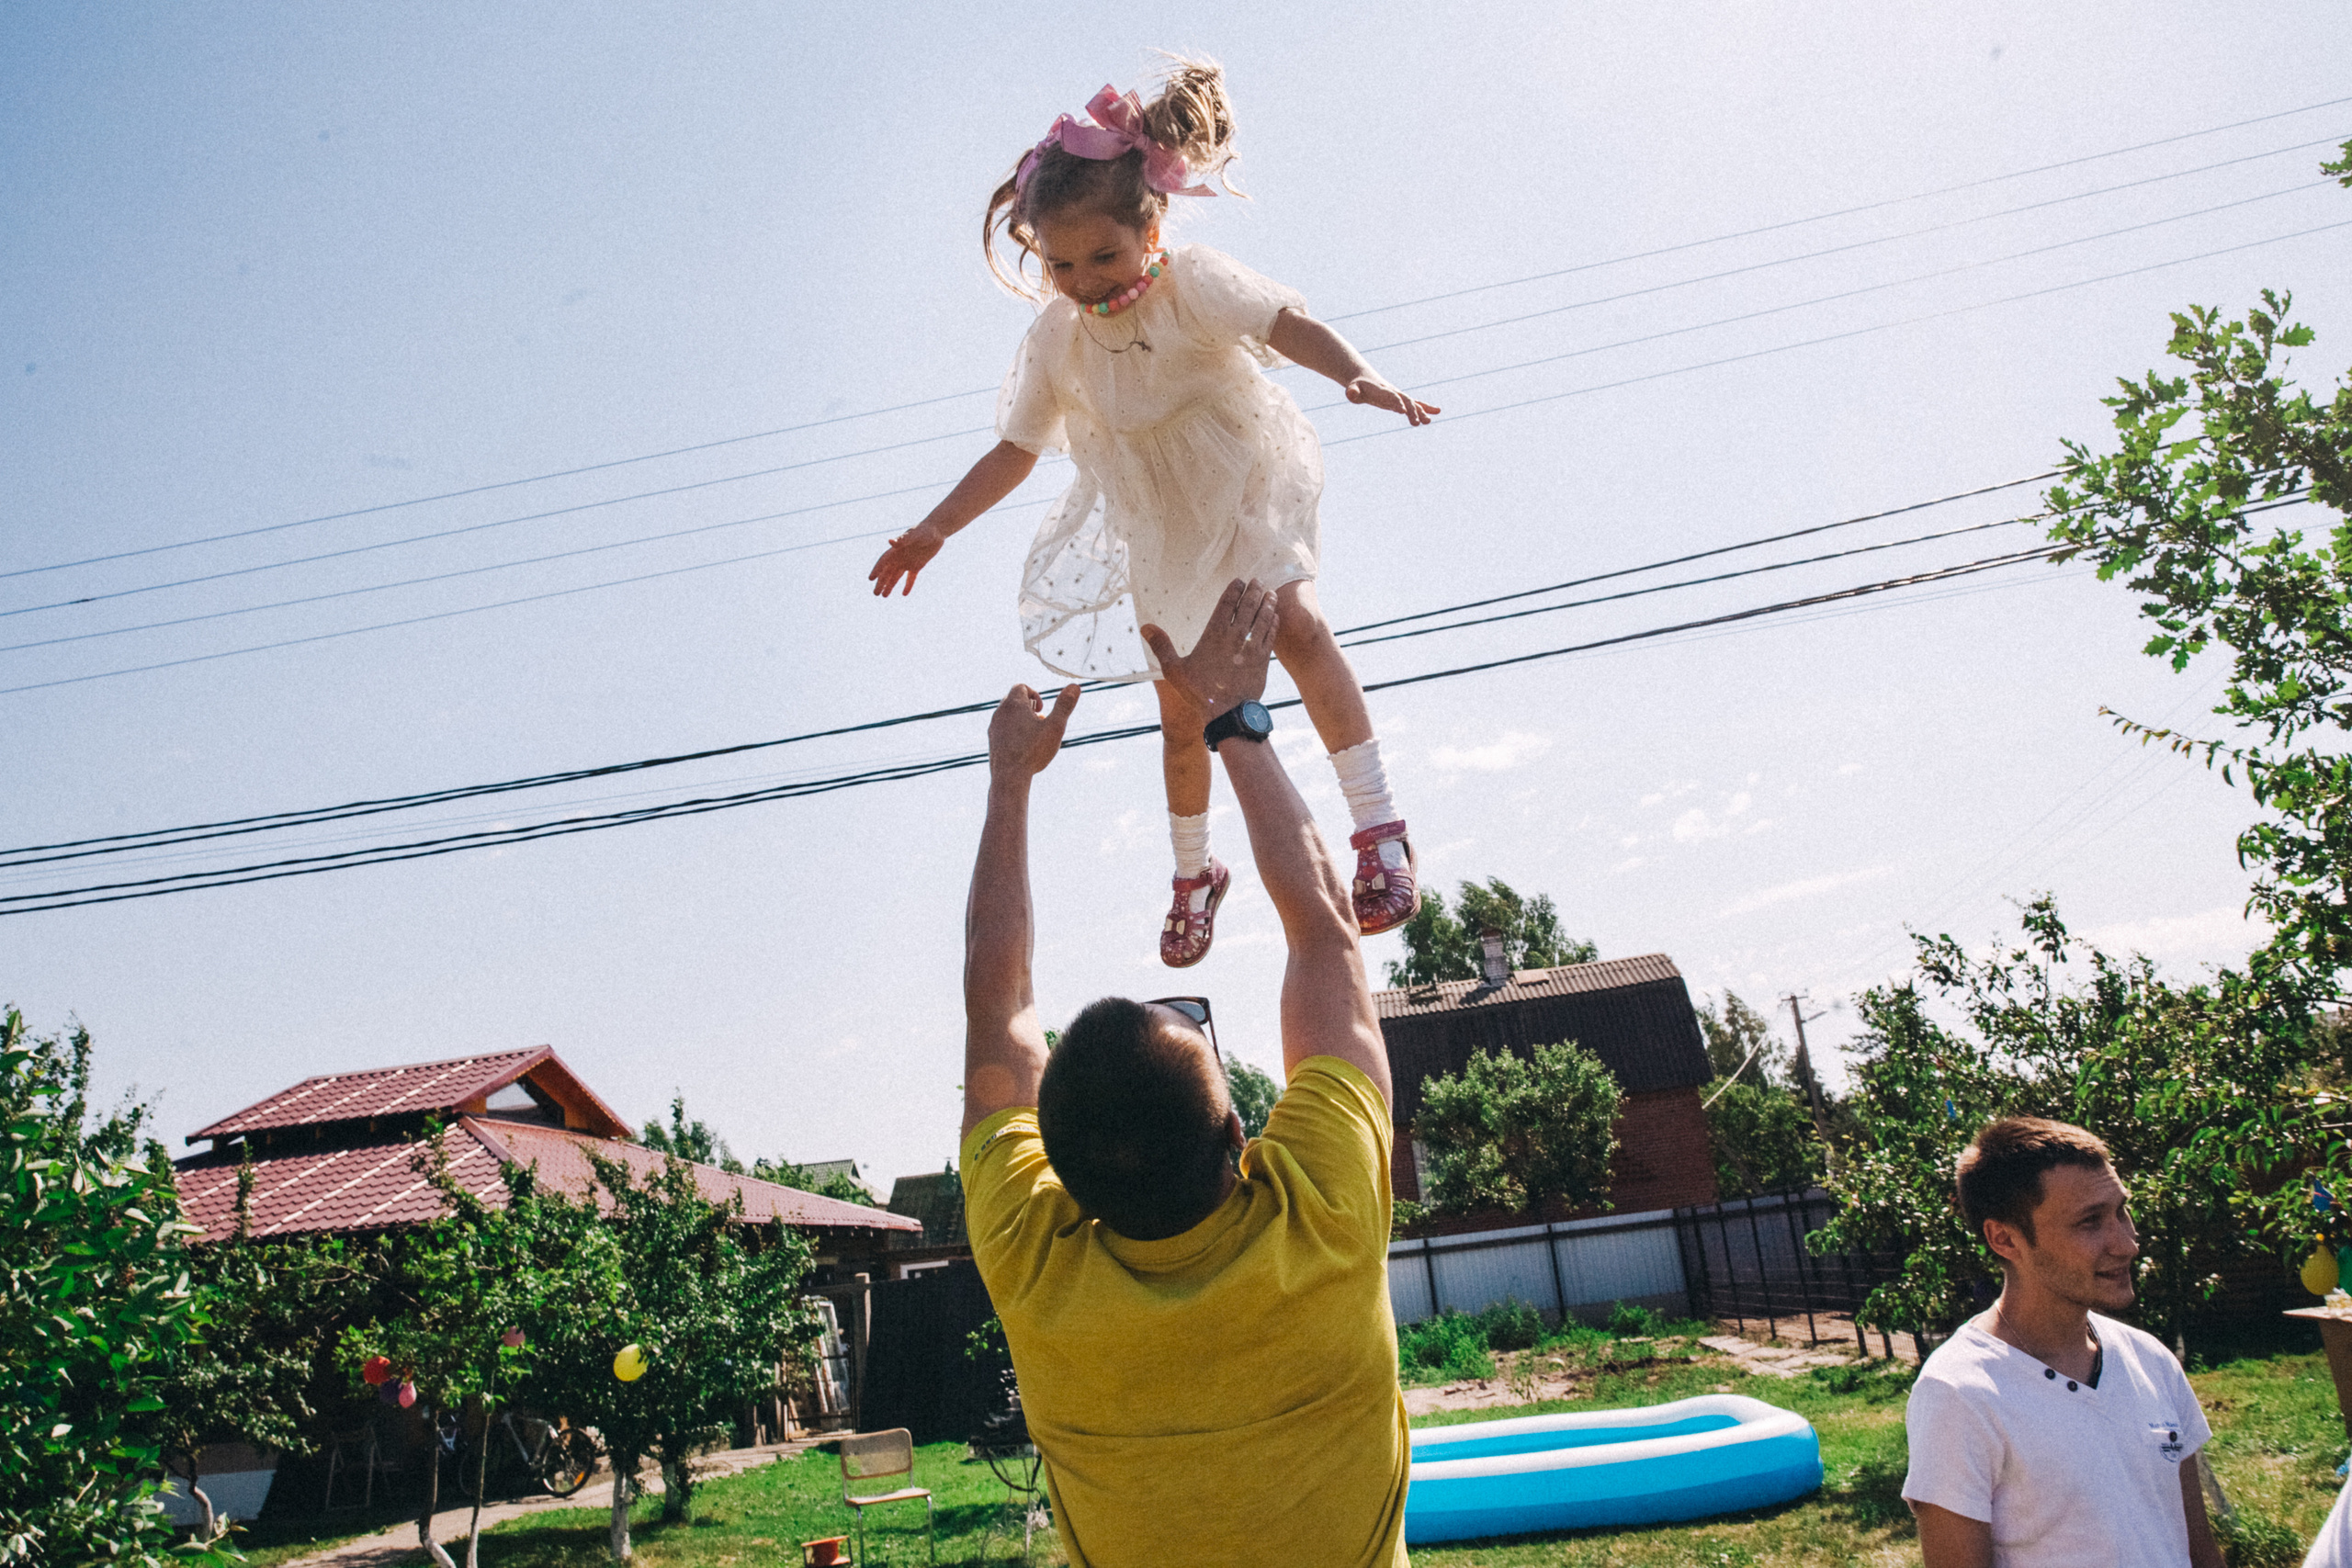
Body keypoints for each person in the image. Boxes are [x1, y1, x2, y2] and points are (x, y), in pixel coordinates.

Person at [869, 59, 1436, 968]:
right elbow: (1016, 449)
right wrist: (937, 526)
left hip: (1244, 487)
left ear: (1152, 226)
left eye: (1103, 256)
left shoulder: (1195, 284)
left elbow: (1285, 322)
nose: (1082, 278)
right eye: (1058, 262)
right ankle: (1190, 872)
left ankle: (1378, 826)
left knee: (1295, 623)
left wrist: (1354, 372)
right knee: (1182, 708)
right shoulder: (1057, 337)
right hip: (1161, 527)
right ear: (1034, 249)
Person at [956, 579, 1408, 1567]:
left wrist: (1014, 786)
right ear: (1239, 1141)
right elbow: (1327, 935)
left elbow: (999, 1018)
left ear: (1064, 1178)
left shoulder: (1036, 1267)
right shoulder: (1319, 1221)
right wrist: (1230, 722)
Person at [1904, 1116, 2223, 1568]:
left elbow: (2199, 1549)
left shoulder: (2150, 1359)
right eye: (2090, 1222)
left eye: (2121, 1211)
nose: (2128, 1243)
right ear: (2005, 1239)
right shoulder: (1959, 1394)